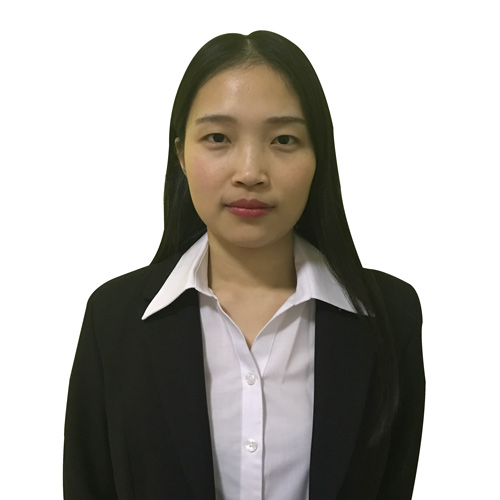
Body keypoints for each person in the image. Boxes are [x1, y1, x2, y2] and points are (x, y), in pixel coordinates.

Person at [63, 31, 425, 500]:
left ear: (319, 156)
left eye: (284, 139)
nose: (251, 171)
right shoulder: (114, 319)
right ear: (181, 154)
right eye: (218, 137)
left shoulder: (389, 317)